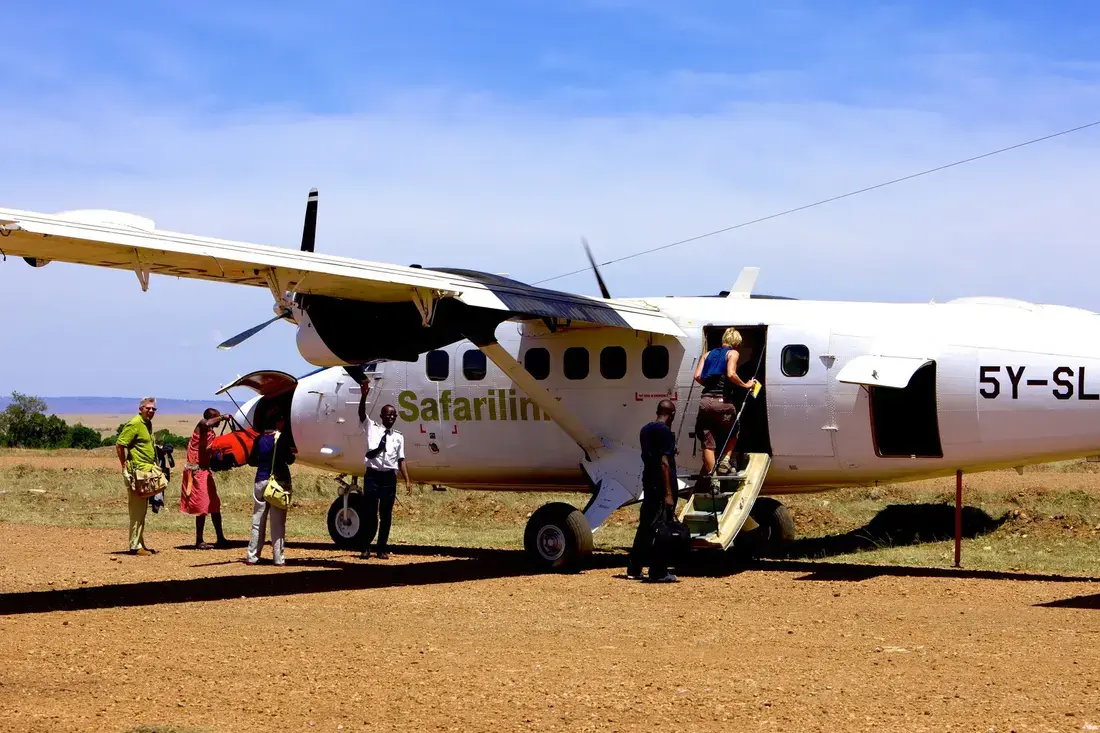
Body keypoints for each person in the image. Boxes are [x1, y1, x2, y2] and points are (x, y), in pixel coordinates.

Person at [692, 327, 758, 485]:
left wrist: (709, 385)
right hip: (723, 402)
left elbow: (697, 376)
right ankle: (725, 460)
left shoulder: (707, 354)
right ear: (736, 343)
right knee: (734, 430)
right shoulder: (733, 353)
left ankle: (713, 480)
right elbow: (731, 374)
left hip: (705, 401)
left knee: (708, 443)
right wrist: (746, 385)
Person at [357, 377, 410, 560]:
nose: (391, 417)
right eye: (388, 415)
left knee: (386, 515)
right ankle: (365, 547)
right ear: (381, 416)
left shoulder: (398, 437)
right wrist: (364, 397)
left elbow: (401, 459)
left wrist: (407, 479)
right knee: (370, 513)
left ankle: (381, 548)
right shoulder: (372, 428)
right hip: (372, 476)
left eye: (394, 415)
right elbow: (362, 415)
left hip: (388, 478)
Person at [627, 399, 680, 583]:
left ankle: (634, 567)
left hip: (648, 482)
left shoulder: (645, 429)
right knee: (662, 528)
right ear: (671, 414)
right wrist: (668, 493)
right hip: (661, 485)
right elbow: (664, 463)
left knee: (646, 525)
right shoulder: (664, 431)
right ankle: (658, 571)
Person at [115, 397, 167, 555]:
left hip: (146, 473)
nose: (151, 411)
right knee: (137, 510)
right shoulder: (135, 423)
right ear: (140, 409)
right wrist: (124, 466)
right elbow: (120, 444)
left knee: (142, 510)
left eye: (153, 409)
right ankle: (135, 545)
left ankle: (140, 543)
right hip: (137, 473)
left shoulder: (147, 424)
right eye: (148, 408)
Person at [246, 407, 296, 566]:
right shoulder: (281, 439)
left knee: (257, 520)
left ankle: (252, 556)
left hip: (260, 481)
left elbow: (252, 461)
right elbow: (290, 460)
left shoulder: (259, 439)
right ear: (278, 422)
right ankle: (278, 559)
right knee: (278, 523)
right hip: (278, 484)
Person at [180, 408, 232, 548]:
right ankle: (199, 540)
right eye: (216, 418)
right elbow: (207, 422)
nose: (218, 421)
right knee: (202, 506)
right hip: (196, 472)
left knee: (214, 505)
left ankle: (220, 538)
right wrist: (222, 417)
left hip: (205, 471)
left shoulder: (210, 433)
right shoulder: (201, 426)